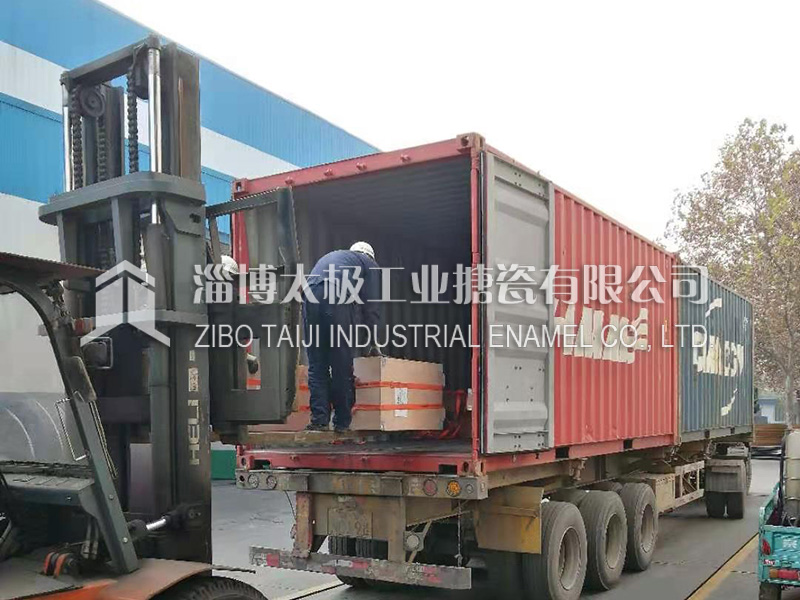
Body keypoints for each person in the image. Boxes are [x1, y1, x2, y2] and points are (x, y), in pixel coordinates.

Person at [303, 242, 382, 432]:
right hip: (335, 294)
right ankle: (342, 422)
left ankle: (319, 420)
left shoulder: (340, 257)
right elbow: (371, 305)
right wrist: (373, 341)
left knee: (317, 364)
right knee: (341, 363)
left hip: (310, 296)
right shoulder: (368, 263)